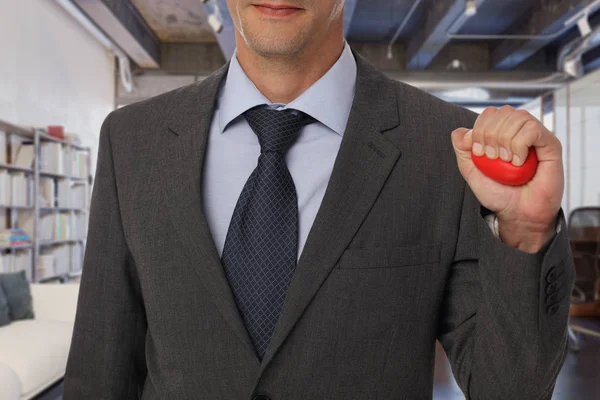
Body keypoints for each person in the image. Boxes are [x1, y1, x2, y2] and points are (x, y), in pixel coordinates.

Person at [63, 0, 574, 399]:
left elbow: (510, 391)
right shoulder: (132, 142)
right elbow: (99, 375)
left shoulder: (446, 145)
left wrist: (526, 233)